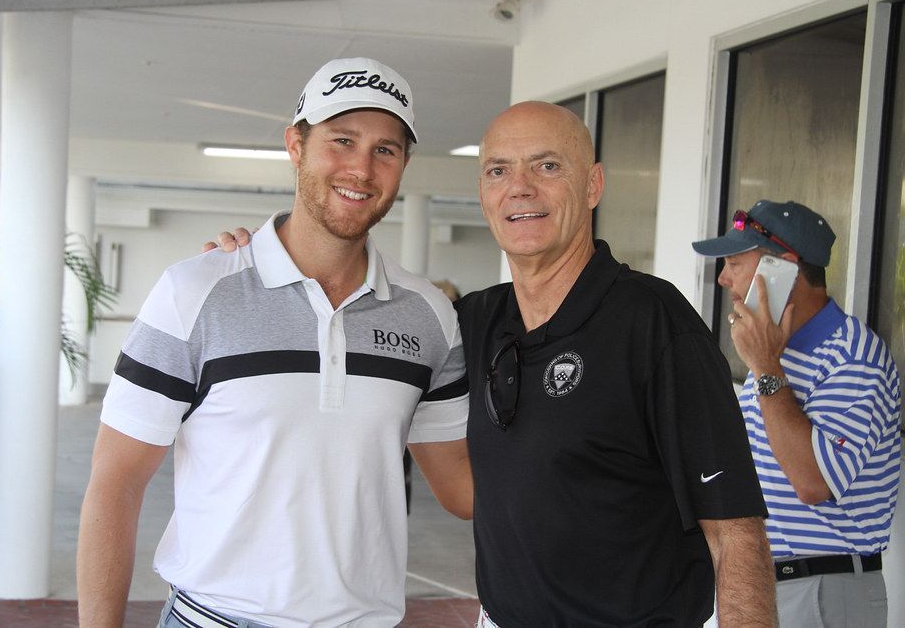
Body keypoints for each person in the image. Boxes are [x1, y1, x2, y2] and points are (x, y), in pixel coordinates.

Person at [218, 102, 778, 625]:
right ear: (483, 194)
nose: (520, 189)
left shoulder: (653, 321)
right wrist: (251, 265)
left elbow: (736, 533)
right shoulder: (467, 322)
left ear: (593, 186)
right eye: (498, 171)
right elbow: (461, 489)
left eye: (548, 166)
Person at [76, 57, 472, 628]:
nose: (361, 169)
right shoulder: (195, 292)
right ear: (296, 145)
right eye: (341, 140)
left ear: (403, 165)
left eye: (385, 150)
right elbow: (115, 483)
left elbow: (462, 488)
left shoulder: (428, 316)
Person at [692, 199, 901, 628]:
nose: (723, 278)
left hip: (822, 593)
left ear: (782, 268)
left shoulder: (853, 359)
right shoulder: (774, 348)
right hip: (768, 585)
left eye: (734, 262)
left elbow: (813, 481)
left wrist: (767, 369)